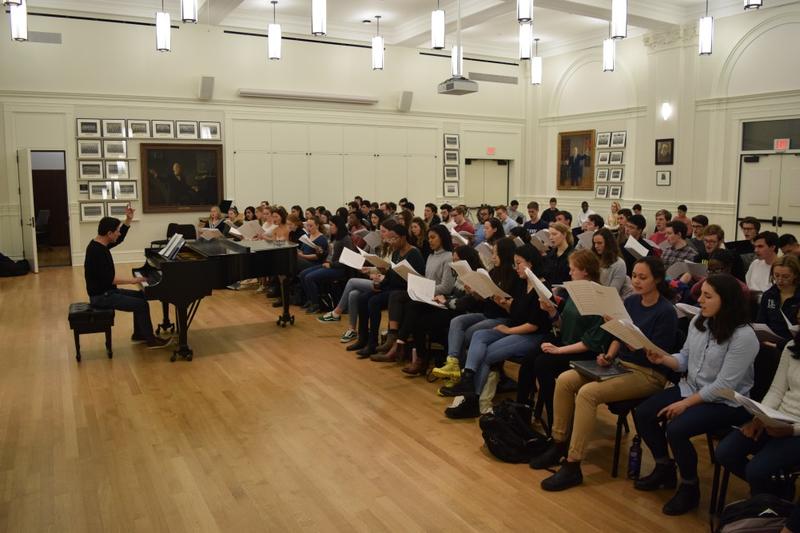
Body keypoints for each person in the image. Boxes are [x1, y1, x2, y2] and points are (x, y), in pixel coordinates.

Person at [531, 257, 678, 492]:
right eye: (635, 276)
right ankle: (558, 442)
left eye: (643, 277)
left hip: (648, 373)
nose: (637, 281)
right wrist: (609, 356)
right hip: (621, 363)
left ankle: (573, 463)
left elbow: (654, 355)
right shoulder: (631, 302)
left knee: (588, 394)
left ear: (657, 280)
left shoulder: (666, 312)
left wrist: (623, 337)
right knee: (566, 380)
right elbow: (618, 339)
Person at [633, 274, 758, 515]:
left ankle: (690, 487)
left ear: (728, 301)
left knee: (677, 429)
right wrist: (665, 359)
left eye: (707, 296)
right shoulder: (700, 321)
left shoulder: (744, 336)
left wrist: (686, 404)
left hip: (727, 402)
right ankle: (663, 466)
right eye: (701, 294)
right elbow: (685, 359)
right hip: (692, 388)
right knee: (644, 413)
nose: (700, 300)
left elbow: (724, 385)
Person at [444, 245, 551, 418]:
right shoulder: (522, 284)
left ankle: (473, 399)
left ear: (530, 264)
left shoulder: (542, 287)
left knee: (487, 354)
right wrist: (503, 303)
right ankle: (468, 378)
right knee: (479, 335)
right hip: (517, 328)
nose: (515, 267)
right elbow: (515, 312)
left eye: (519, 263)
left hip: (532, 335)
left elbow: (534, 325)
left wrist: (508, 330)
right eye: (515, 263)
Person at [519, 250, 612, 431]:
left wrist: (558, 350)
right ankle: (521, 411)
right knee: (530, 358)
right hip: (569, 343)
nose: (569, 273)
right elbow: (563, 325)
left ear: (585, 271)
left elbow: (590, 343)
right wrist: (552, 312)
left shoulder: (599, 297)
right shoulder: (575, 291)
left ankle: (558, 421)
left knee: (543, 363)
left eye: (572, 269)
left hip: (587, 352)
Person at [715, 333, 800, 499]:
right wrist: (760, 417)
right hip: (778, 418)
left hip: (795, 431)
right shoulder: (793, 345)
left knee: (756, 470)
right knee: (725, 453)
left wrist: (792, 430)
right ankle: (775, 493)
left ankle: (768, 502)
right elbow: (777, 390)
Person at [432, 238, 518, 381]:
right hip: (487, 314)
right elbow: (485, 298)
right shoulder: (493, 272)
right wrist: (475, 292)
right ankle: (453, 362)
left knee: (467, 334)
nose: (493, 257)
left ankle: (463, 373)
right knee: (457, 321)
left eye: (496, 253)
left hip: (501, 318)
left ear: (505, 254)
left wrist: (502, 302)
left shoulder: (514, 276)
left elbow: (513, 307)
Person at [84, 208, 168, 348]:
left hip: (107, 292)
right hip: (101, 297)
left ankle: (139, 334)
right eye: (116, 230)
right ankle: (151, 341)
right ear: (109, 233)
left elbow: (120, 238)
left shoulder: (99, 243)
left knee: (141, 297)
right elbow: (109, 280)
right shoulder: (97, 252)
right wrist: (133, 280)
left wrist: (128, 219)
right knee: (141, 304)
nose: (118, 233)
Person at [373, 224, 456, 363]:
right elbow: (426, 278)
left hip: (439, 298)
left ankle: (399, 344)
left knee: (409, 304)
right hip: (427, 294)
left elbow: (446, 287)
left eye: (433, 237)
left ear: (442, 238)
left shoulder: (448, 257)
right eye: (429, 237)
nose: (430, 240)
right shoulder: (430, 256)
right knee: (399, 297)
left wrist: (425, 289)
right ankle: (397, 342)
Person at [351, 224, 425, 357]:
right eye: (389, 239)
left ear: (403, 238)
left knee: (374, 302)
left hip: (404, 290)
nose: (391, 242)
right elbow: (391, 274)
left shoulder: (414, 253)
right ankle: (363, 338)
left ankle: (373, 343)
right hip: (392, 287)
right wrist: (380, 284)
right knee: (362, 298)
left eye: (394, 239)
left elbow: (419, 278)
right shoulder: (396, 253)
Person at [298, 216, 355, 315]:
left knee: (309, 277)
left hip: (338, 268)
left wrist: (331, 264)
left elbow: (347, 260)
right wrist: (321, 251)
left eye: (332, 225)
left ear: (338, 226)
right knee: (303, 274)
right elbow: (329, 254)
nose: (330, 227)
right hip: (329, 264)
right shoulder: (334, 237)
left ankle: (316, 304)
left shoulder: (345, 239)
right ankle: (310, 300)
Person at [756, 255, 800, 345]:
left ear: (795, 275)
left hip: (794, 345)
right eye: (776, 275)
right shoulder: (768, 295)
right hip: (769, 343)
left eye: (786, 276)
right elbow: (760, 323)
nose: (780, 280)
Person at [593, 227, 633, 297]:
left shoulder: (619, 263)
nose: (596, 246)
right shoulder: (594, 259)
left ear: (608, 244)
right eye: (594, 243)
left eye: (599, 243)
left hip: (609, 299)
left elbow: (613, 292)